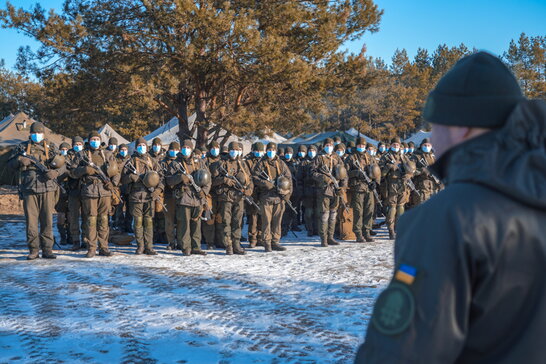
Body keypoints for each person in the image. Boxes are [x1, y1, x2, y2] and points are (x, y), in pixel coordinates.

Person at [355, 51, 546, 363]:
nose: (431, 137)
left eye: (435, 124)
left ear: (462, 126)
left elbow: (404, 352)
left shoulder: (449, 218)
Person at [9, 122, 61, 260]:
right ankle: (33, 249)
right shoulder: (22, 147)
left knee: (47, 221)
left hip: (47, 188)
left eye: (39, 133)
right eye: (34, 133)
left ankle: (47, 249)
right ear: (30, 133)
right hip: (29, 188)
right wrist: (20, 160)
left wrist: (54, 173)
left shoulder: (51, 148)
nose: (37, 135)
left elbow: (63, 164)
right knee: (31, 222)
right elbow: (9, 165)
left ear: (43, 133)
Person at [70, 131, 120, 258]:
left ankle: (104, 247)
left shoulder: (108, 154)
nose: (95, 141)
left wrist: (113, 184)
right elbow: (72, 172)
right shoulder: (81, 155)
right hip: (89, 191)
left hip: (104, 192)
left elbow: (117, 172)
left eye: (97, 139)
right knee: (91, 220)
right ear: (89, 140)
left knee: (104, 220)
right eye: (93, 139)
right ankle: (91, 248)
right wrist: (84, 170)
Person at [164, 139, 210, 256]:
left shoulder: (199, 162)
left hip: (197, 198)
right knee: (184, 224)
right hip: (184, 198)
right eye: (183, 147)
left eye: (188, 147)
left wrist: (204, 192)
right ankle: (185, 247)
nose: (186, 149)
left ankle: (196, 246)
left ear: (192, 148)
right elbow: (169, 180)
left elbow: (208, 179)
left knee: (196, 224)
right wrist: (180, 178)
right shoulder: (175, 164)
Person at [122, 137, 164, 255]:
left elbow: (161, 178)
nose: (142, 147)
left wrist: (158, 190)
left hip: (150, 196)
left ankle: (149, 246)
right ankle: (140, 246)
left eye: (144, 145)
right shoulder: (130, 161)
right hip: (136, 195)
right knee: (138, 222)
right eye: (139, 146)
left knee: (149, 221)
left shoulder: (152, 161)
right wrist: (131, 177)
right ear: (136, 147)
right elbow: (123, 179)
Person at [210, 141, 253, 255]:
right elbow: (212, 181)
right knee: (226, 222)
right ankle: (228, 245)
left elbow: (249, 180)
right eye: (232, 150)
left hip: (239, 197)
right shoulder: (220, 164)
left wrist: (248, 191)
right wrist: (224, 180)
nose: (234, 152)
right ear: (228, 151)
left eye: (236, 150)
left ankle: (236, 244)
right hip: (226, 197)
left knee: (237, 222)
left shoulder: (242, 165)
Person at [252, 142, 292, 252]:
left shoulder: (281, 164)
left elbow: (289, 179)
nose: (271, 152)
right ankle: (267, 243)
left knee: (277, 221)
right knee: (266, 221)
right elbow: (254, 177)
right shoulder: (261, 163)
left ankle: (275, 241)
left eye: (273, 150)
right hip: (266, 197)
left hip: (279, 197)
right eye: (269, 150)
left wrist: (287, 194)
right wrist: (265, 183)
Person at [311, 138, 347, 247]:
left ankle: (330, 237)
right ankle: (324, 239)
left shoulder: (336, 157)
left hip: (336, 190)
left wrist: (343, 187)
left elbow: (344, 173)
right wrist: (324, 178)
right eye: (327, 145)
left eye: (330, 145)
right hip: (324, 190)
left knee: (333, 214)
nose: (329, 146)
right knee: (324, 215)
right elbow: (312, 172)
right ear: (323, 145)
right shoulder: (319, 157)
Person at [379, 137, 415, 239]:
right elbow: (380, 174)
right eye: (394, 145)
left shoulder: (404, 157)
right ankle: (390, 230)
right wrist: (389, 167)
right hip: (391, 185)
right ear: (391, 145)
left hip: (402, 185)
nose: (396, 146)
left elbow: (411, 170)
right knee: (392, 208)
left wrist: (409, 175)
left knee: (401, 207)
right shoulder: (385, 157)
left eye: (398, 145)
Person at [346, 137, 380, 243]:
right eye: (360, 145)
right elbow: (345, 173)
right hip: (357, 188)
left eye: (363, 146)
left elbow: (376, 170)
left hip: (368, 188)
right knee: (358, 212)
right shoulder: (351, 158)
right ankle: (358, 234)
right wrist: (356, 173)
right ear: (356, 146)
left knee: (369, 211)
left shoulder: (370, 157)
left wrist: (375, 182)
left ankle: (367, 232)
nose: (361, 147)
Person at [160, 142, 181, 250]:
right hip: (168, 195)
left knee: (181, 220)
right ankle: (171, 242)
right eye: (172, 149)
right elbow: (161, 179)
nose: (174, 151)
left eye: (176, 149)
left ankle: (181, 242)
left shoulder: (182, 162)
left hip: (181, 195)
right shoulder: (163, 163)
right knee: (169, 221)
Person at [245, 142, 265, 247]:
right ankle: (252, 239)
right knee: (253, 217)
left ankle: (260, 237)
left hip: (263, 192)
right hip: (252, 192)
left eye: (260, 151)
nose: (258, 153)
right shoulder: (247, 162)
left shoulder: (264, 161)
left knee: (262, 215)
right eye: (257, 150)